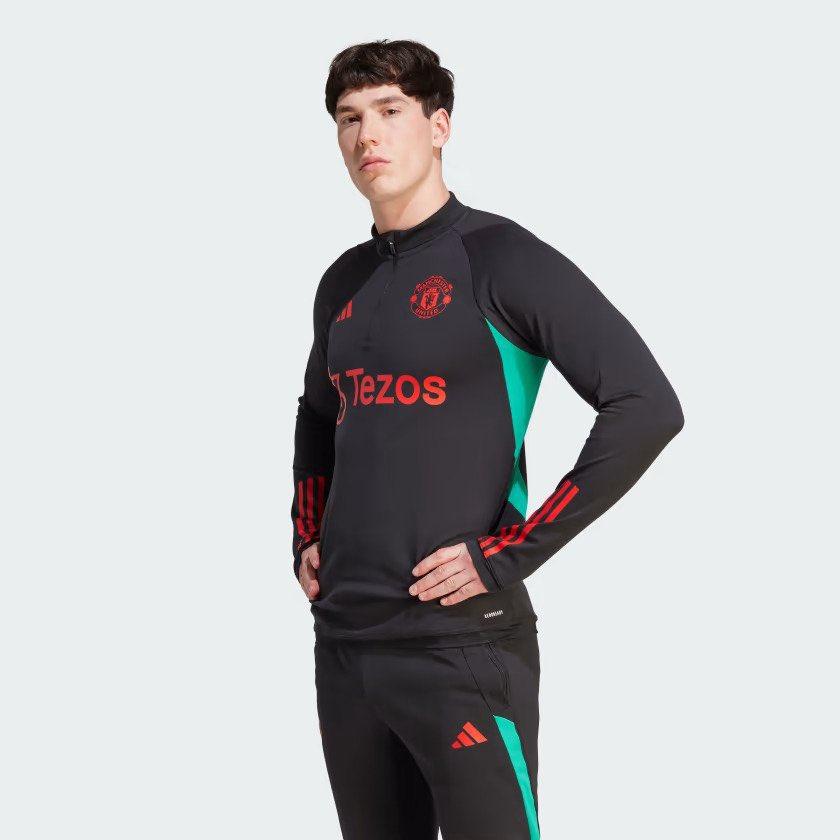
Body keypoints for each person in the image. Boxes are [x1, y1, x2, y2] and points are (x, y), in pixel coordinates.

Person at [291, 38, 684, 840]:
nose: (368, 135)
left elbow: (646, 405)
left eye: (390, 111)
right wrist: (305, 536)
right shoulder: (343, 281)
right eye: (350, 118)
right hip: (347, 647)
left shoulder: (500, 261)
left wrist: (510, 554)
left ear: (439, 126)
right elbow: (316, 414)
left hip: (461, 646)